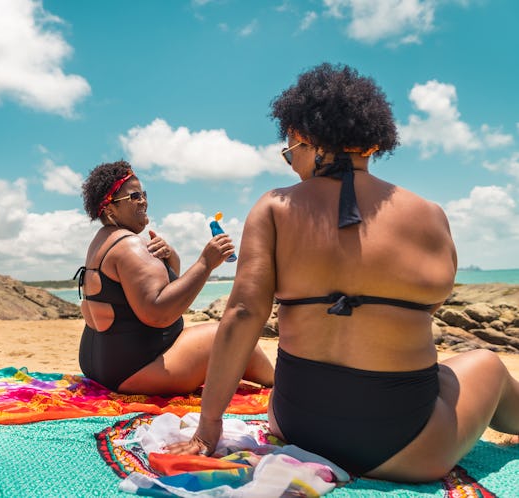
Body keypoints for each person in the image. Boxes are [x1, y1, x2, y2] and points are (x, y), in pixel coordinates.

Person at [166, 63, 519, 482]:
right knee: (485, 364)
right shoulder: (429, 215)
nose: (290, 163)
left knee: (445, 375)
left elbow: (243, 314)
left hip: (297, 428)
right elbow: (433, 300)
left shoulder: (274, 207)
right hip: (407, 447)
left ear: (308, 138)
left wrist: (209, 428)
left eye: (289, 150)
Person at [75, 160, 274, 395]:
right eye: (134, 197)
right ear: (110, 209)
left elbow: (150, 293)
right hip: (135, 372)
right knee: (235, 333)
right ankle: (278, 384)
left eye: (144, 194)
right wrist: (206, 263)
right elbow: (159, 314)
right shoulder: (129, 246)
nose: (144, 201)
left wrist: (170, 260)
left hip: (101, 368)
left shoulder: (103, 241)